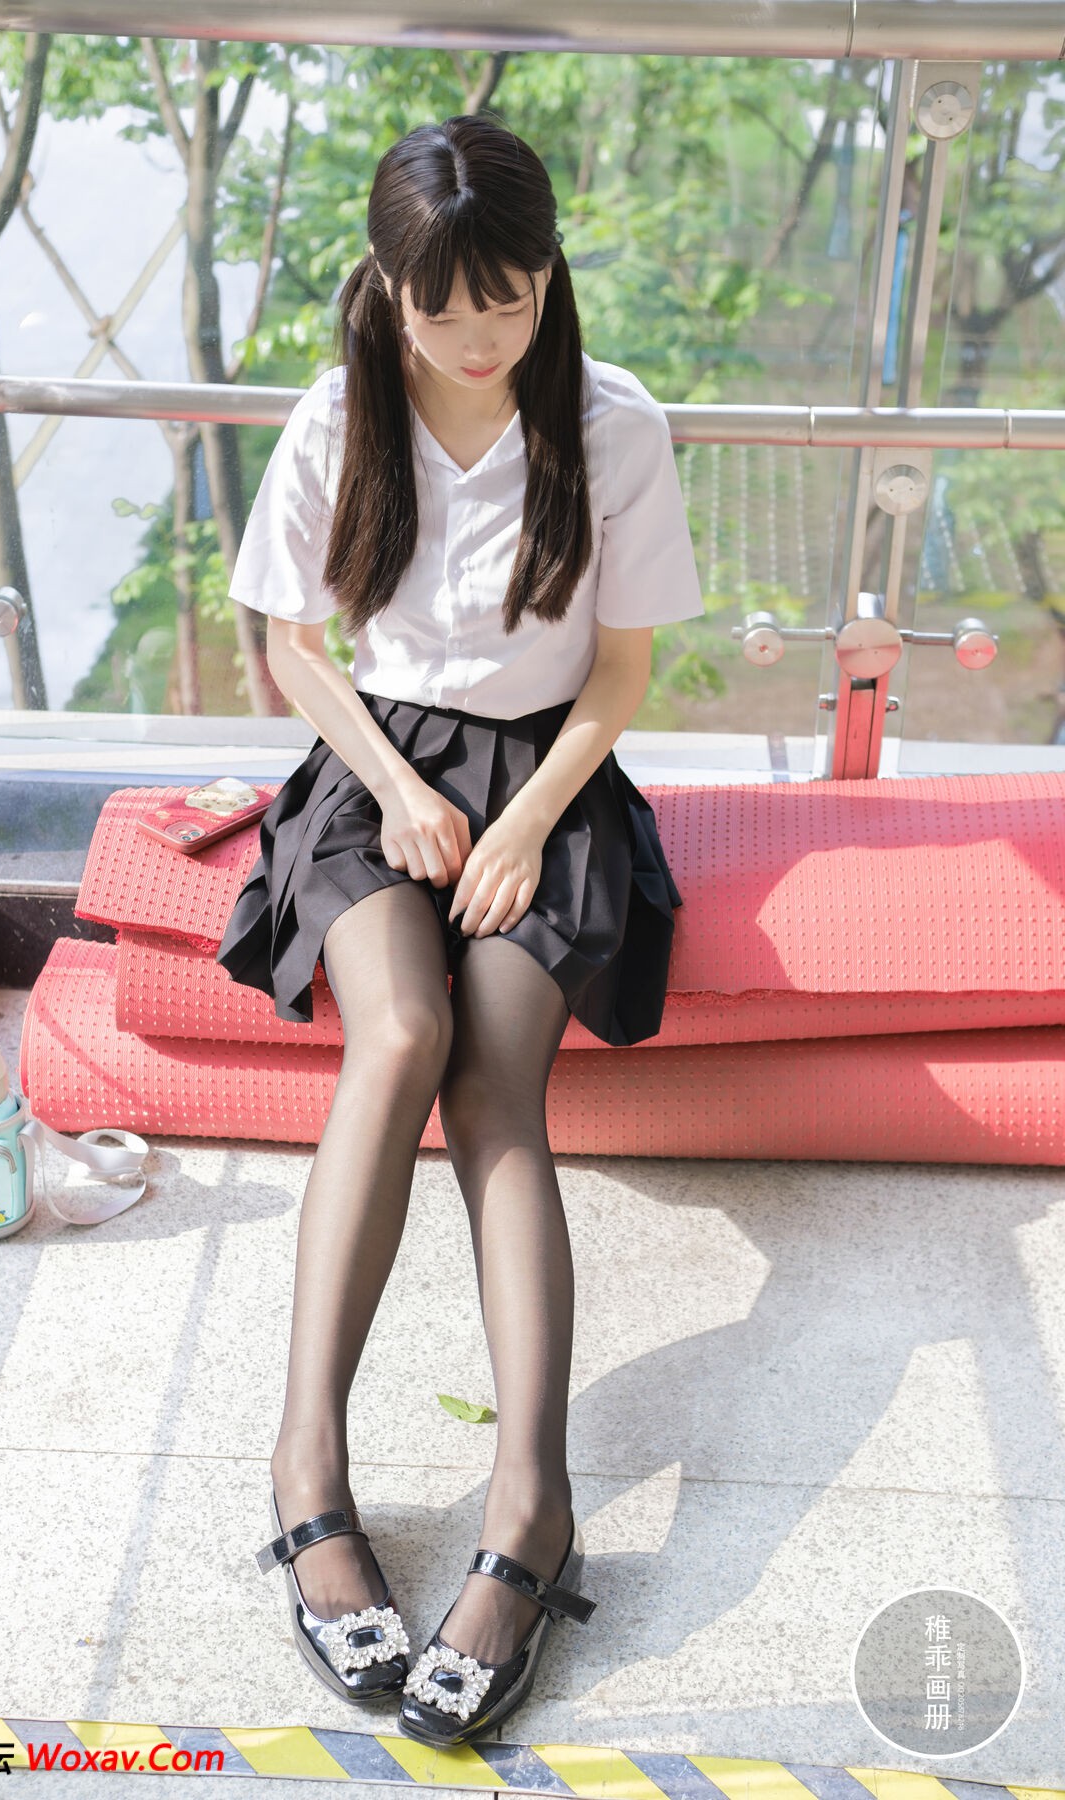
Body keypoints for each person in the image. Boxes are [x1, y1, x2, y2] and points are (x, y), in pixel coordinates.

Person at [217, 112, 705, 1746]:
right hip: (374, 765)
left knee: (496, 1080)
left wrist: (524, 819)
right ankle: (307, 1467)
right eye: (444, 307)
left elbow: (620, 675)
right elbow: (293, 643)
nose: (480, 335)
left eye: (511, 297)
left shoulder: (611, 422)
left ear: (549, 276)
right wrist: (400, 794)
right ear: (389, 286)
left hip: (547, 783)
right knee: (402, 1031)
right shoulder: (340, 410)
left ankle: (531, 1509)